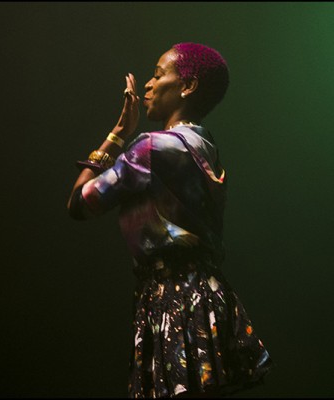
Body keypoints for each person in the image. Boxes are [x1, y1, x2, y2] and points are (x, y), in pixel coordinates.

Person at [67, 42, 273, 398]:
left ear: (187, 86)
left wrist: (117, 134)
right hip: (207, 297)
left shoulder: (151, 149)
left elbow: (79, 205)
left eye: (159, 74)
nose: (147, 84)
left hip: (174, 301)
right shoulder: (205, 144)